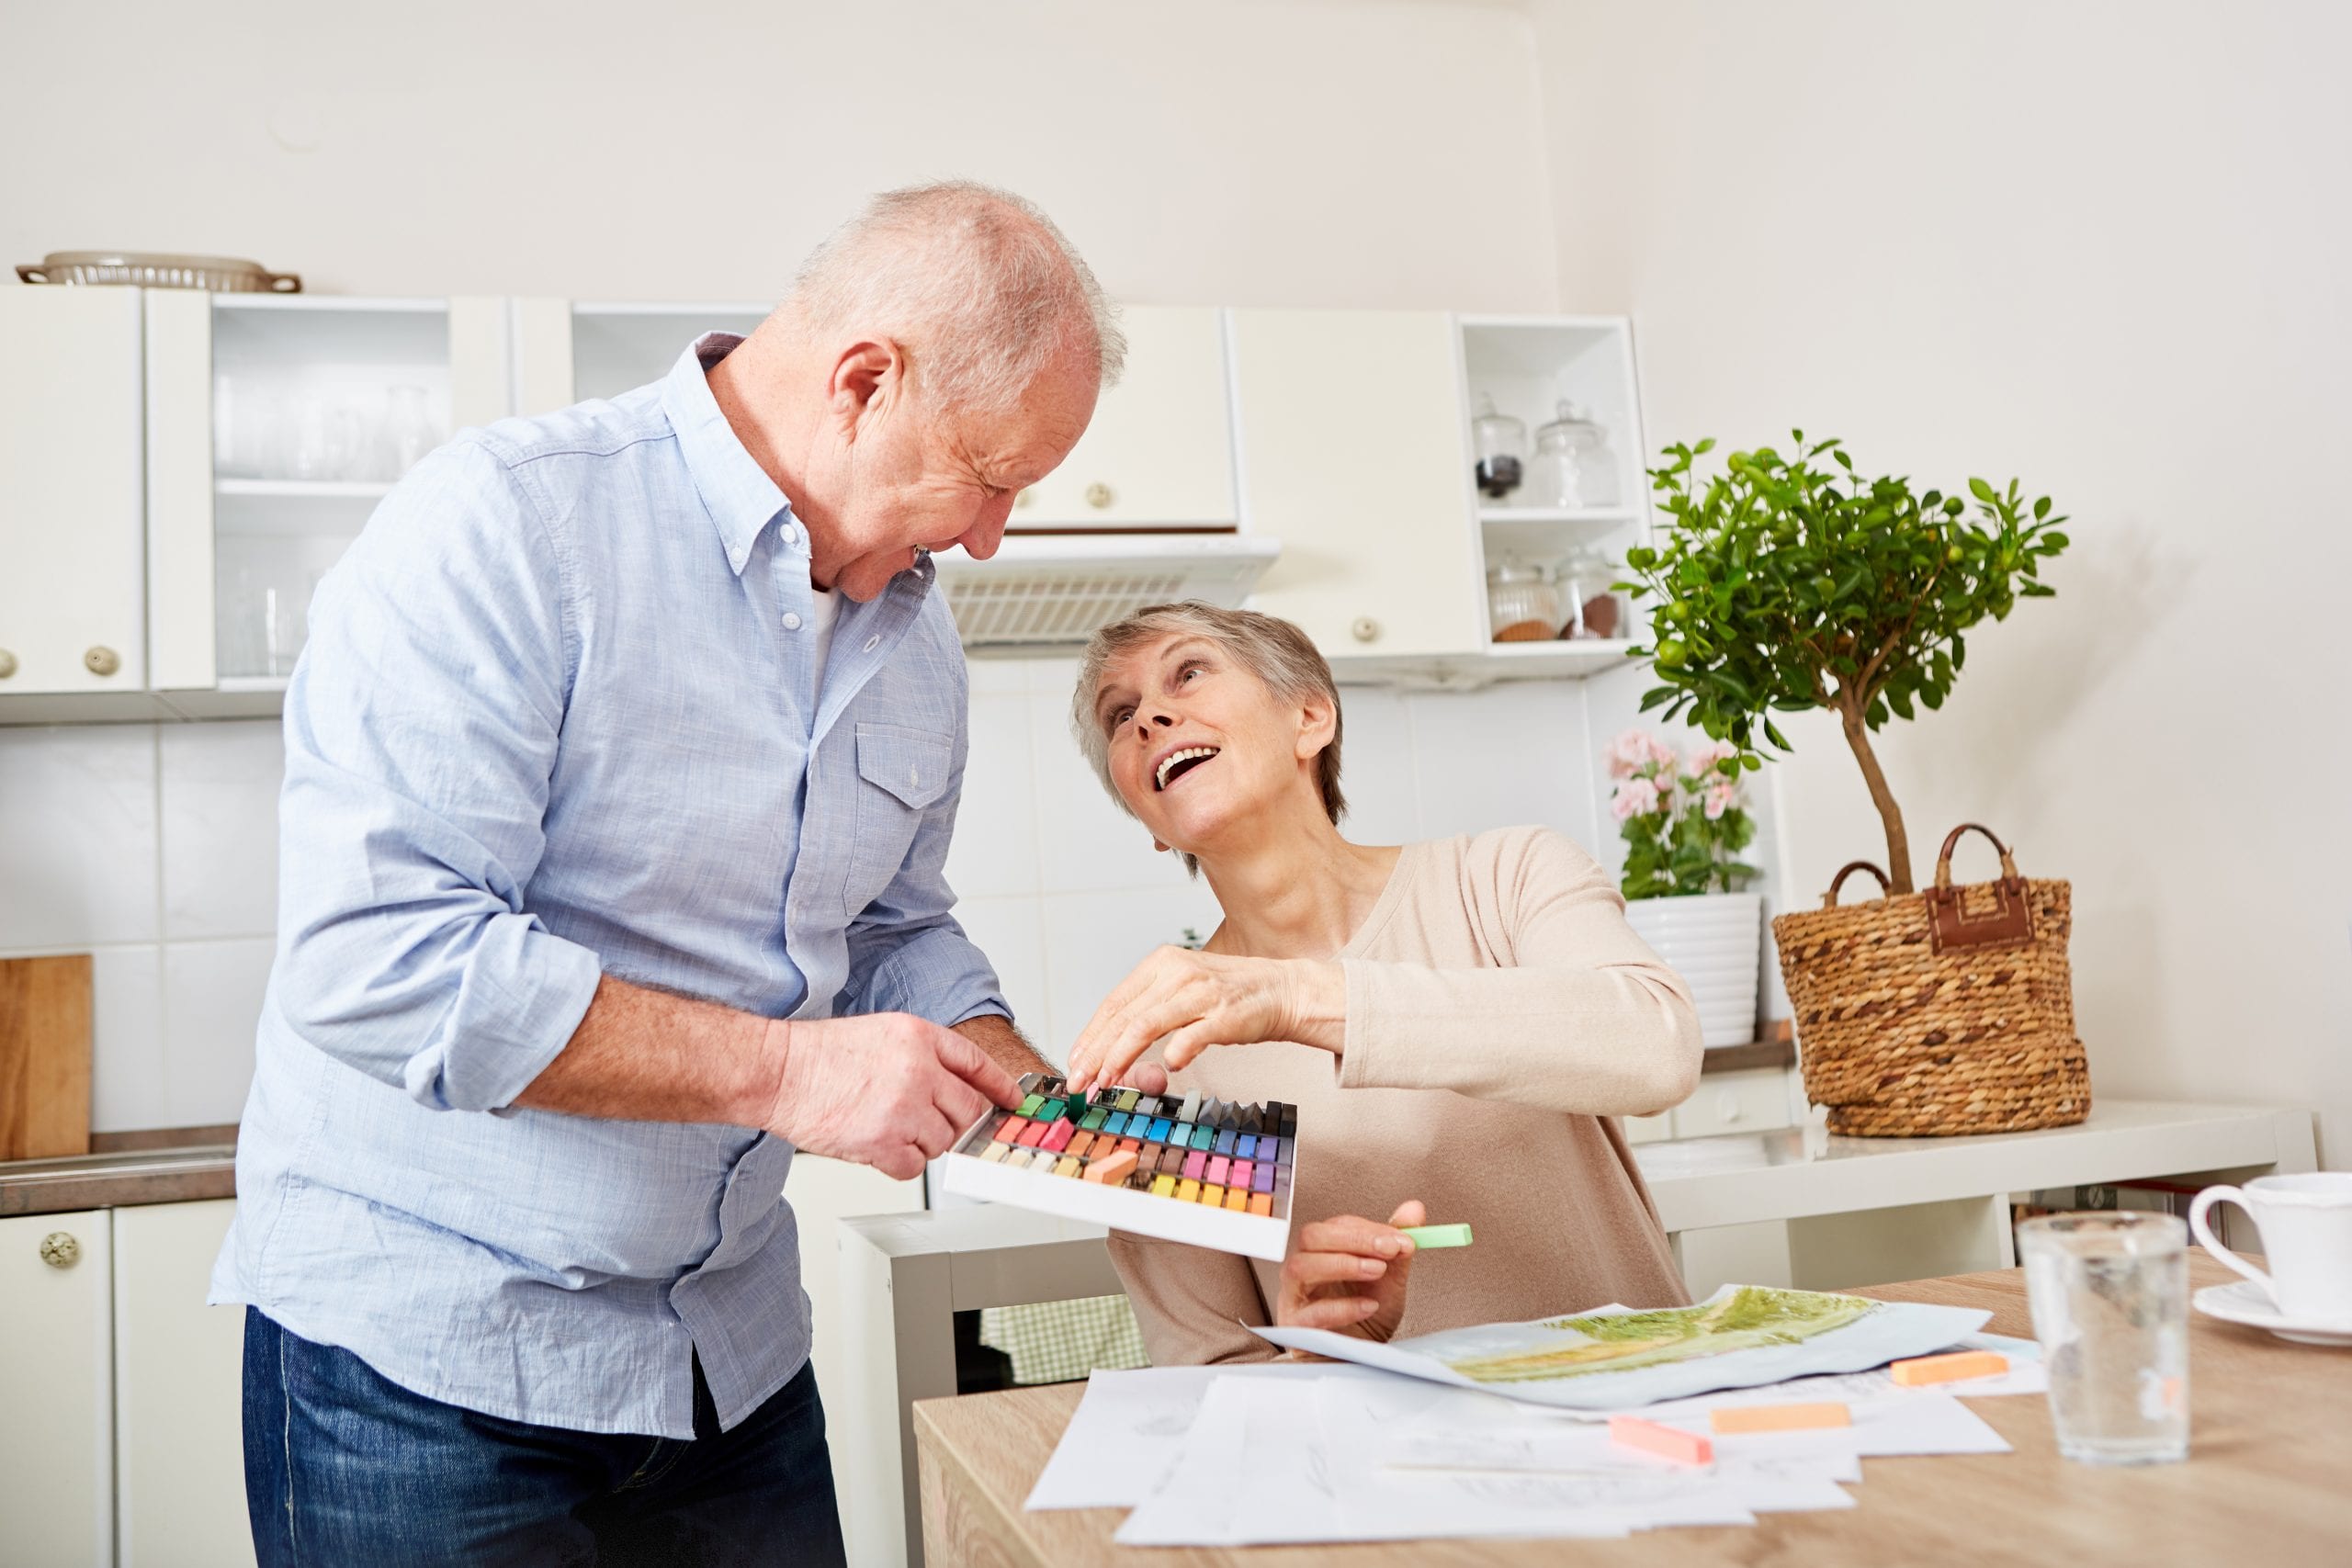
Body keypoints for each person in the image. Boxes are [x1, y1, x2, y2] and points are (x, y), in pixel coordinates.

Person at [209, 182, 1125, 1566]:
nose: (992, 534)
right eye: (990, 475)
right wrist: (794, 1073)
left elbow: (890, 925)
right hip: (427, 1369)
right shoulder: (507, 524)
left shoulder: (917, 638)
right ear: (864, 380)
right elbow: (381, 957)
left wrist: (1015, 1073)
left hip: (730, 1362)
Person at [1060, 602, 1703, 1363]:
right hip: (1383, 1472)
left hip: (1639, 1424)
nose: (1149, 718)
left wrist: (1303, 997)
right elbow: (1211, 1379)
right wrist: (1308, 1349)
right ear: (1148, 820)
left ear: (1310, 715)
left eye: (1189, 673)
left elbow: (1657, 1047)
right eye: (1121, 714)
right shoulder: (1168, 1066)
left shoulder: (1500, 881)